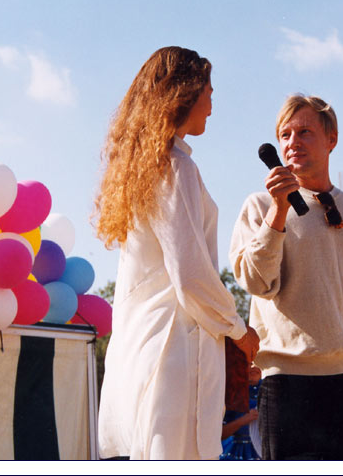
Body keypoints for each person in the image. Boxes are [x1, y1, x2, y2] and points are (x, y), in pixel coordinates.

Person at [93, 46, 260, 460]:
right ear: (184, 94)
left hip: (143, 349)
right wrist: (239, 331)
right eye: (209, 93)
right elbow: (191, 274)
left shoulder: (146, 170)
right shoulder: (176, 167)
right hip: (173, 349)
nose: (212, 106)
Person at [229, 94, 343, 460]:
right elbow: (256, 283)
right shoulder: (259, 206)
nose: (293, 142)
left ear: (331, 139)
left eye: (305, 132)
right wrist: (278, 211)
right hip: (287, 385)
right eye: (285, 134)